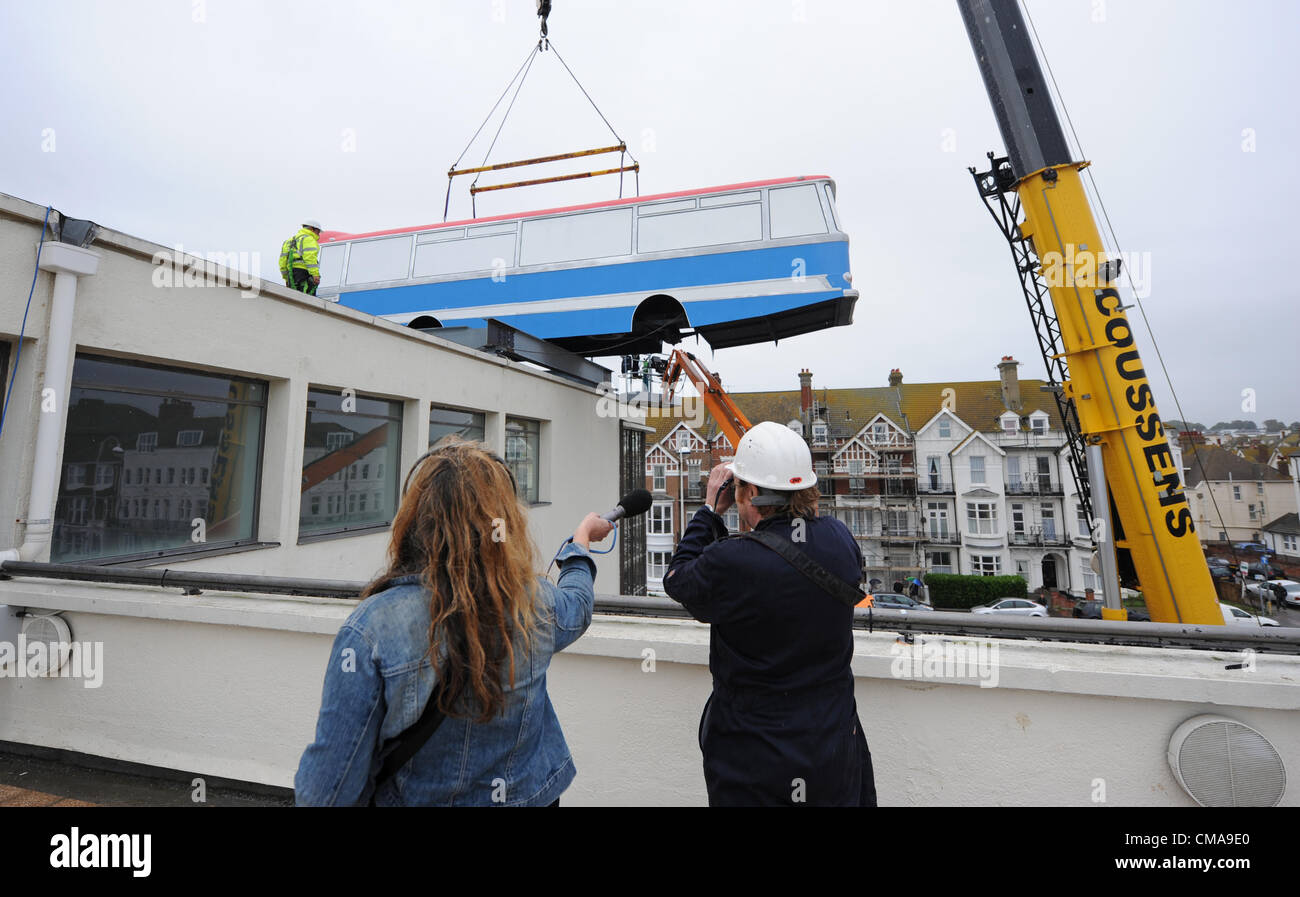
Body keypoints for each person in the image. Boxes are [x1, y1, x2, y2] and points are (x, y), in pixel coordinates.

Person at [294, 438, 614, 806]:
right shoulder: (534, 602)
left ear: (414, 518)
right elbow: (577, 605)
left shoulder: (372, 630)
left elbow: (326, 791)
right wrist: (581, 544)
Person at [663, 420, 877, 806]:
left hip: (755, 760)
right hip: (833, 748)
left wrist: (711, 511)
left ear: (752, 493)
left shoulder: (734, 562)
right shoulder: (840, 540)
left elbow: (678, 578)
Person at [280, 219, 323, 295]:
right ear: (311, 229)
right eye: (318, 231)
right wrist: (315, 274)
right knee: (307, 300)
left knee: (294, 299)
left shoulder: (289, 241)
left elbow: (282, 261)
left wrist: (286, 278)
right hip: (304, 273)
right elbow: (310, 258)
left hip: (292, 275)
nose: (318, 234)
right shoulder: (309, 239)